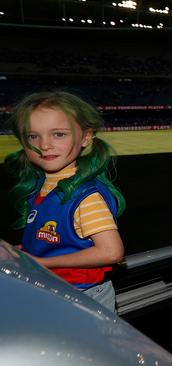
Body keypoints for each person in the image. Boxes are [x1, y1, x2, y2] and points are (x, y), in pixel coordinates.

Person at [4, 91, 126, 312]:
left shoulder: (85, 198)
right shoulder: (44, 185)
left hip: (82, 295)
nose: (45, 145)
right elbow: (52, 239)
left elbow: (111, 252)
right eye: (33, 136)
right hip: (55, 288)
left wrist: (42, 263)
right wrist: (22, 252)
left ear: (86, 137)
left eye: (58, 134)